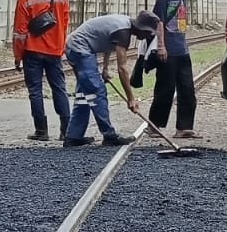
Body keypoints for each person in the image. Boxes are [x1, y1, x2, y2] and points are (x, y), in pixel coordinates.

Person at [62, 10, 161, 148]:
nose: (146, 37)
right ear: (141, 28)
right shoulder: (123, 32)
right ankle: (109, 135)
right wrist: (131, 98)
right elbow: (122, 69)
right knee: (97, 91)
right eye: (147, 33)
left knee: (84, 95)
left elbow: (107, 42)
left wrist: (105, 68)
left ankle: (73, 137)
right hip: (80, 47)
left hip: (79, 46)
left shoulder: (124, 25)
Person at [12, 0, 71, 141]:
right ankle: (65, 130)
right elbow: (65, 24)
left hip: (33, 51)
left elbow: (20, 31)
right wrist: (60, 47)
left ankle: (41, 131)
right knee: (59, 88)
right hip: (54, 52)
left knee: (35, 90)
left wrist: (17, 56)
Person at [150, 0, 198, 139]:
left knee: (187, 90)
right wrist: (161, 46)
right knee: (165, 89)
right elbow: (159, 21)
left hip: (182, 50)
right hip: (168, 50)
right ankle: (154, 126)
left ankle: (184, 127)